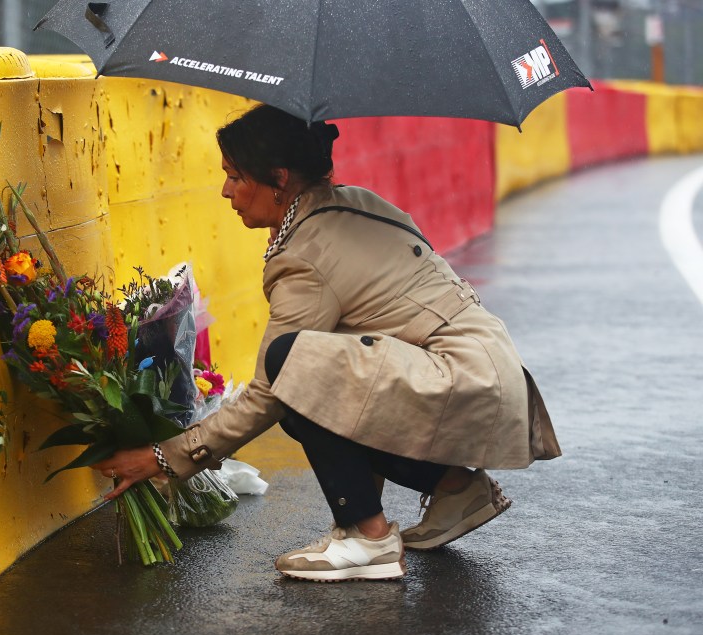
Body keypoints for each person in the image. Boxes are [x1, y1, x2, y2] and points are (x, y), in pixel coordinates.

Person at [91, 104, 561, 582]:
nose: (225, 190)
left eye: (235, 176)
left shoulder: (305, 254)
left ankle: (369, 539)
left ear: (277, 179)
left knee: (289, 367)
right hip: (485, 374)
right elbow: (358, 364)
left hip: (455, 381)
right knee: (312, 372)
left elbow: (273, 390)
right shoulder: (356, 202)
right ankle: (456, 486)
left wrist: (163, 458)